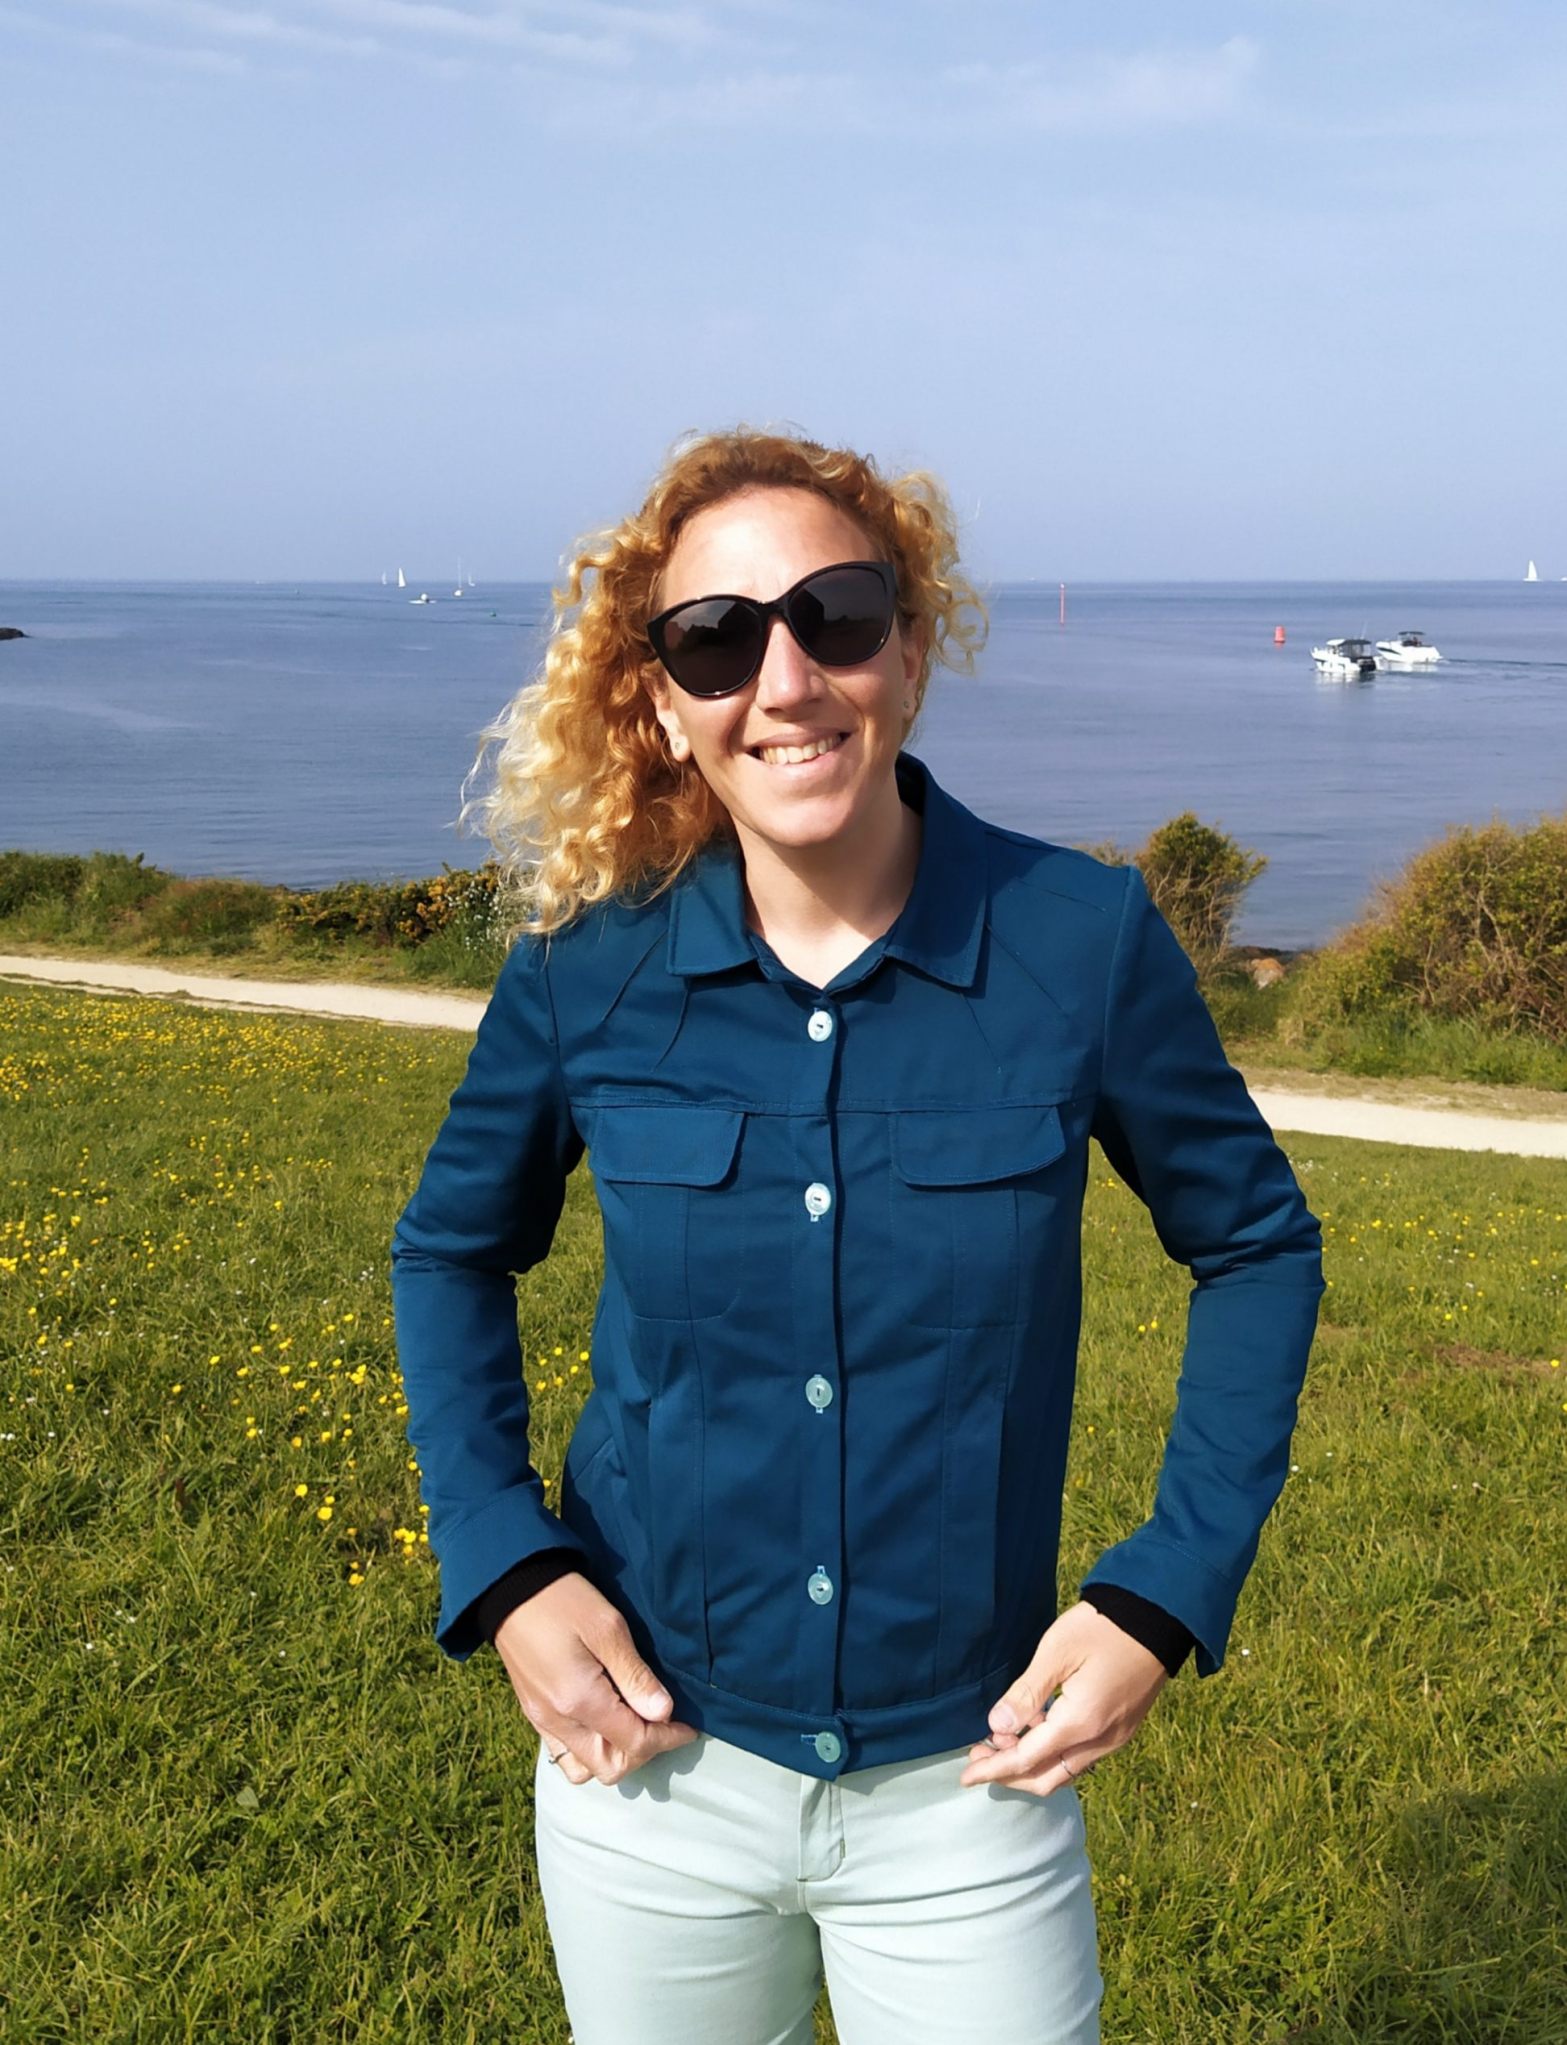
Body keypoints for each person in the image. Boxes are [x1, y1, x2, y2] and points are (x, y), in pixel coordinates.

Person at [389, 427, 1325, 2044]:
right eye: (715, 638)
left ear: (908, 645)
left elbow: (1256, 1242)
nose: (786, 679)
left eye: (835, 614)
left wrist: (1165, 1590)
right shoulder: (583, 970)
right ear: (662, 699)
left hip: (971, 1782)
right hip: (648, 1771)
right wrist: (504, 1558)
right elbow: (449, 1251)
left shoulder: (1081, 942)